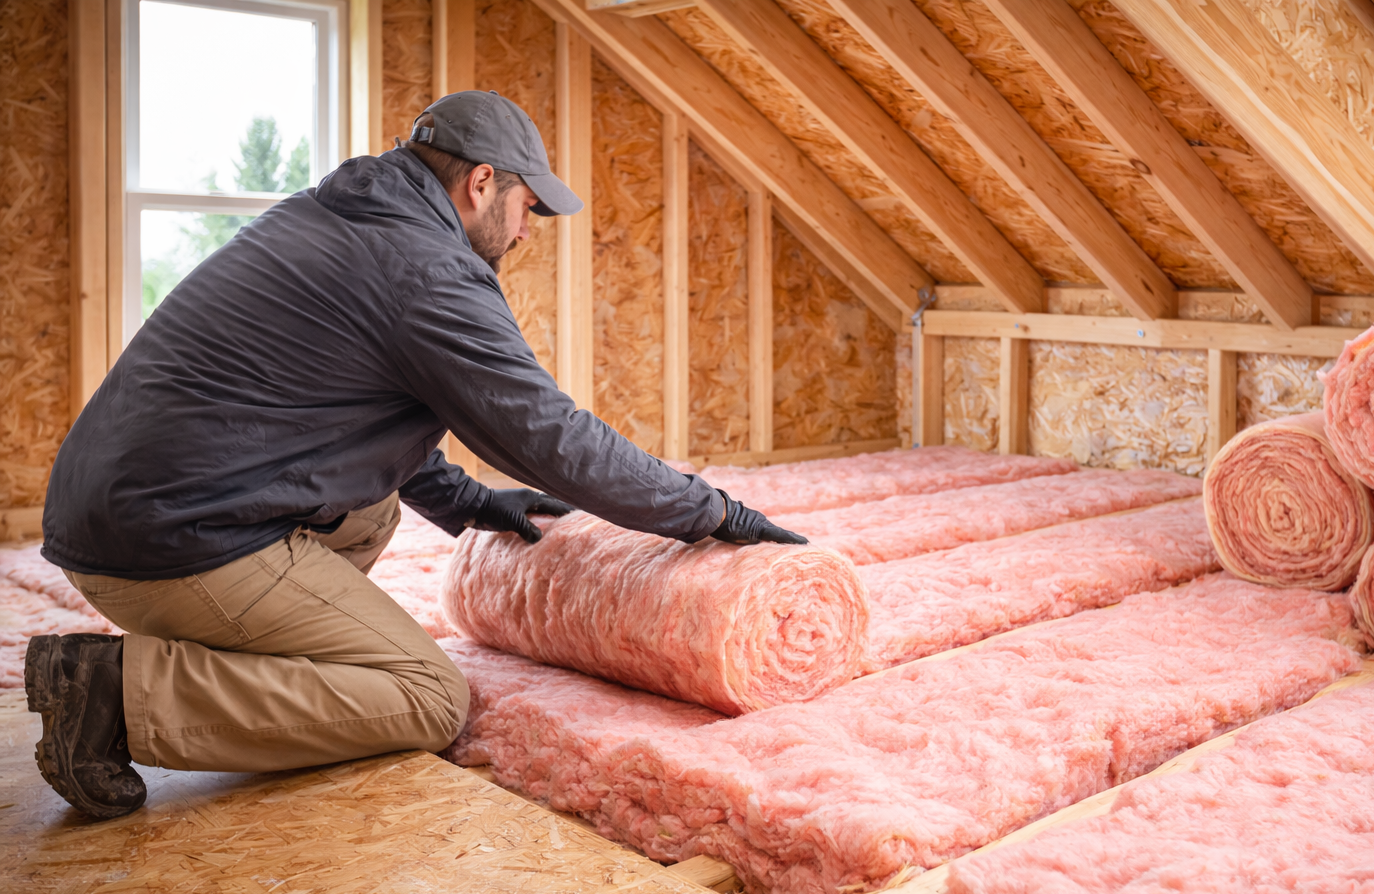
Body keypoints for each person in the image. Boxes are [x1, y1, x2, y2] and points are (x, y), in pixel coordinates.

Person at [26, 90, 804, 820]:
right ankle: (112, 695)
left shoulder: (342, 215)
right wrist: (711, 510)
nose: (529, 230)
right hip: (167, 539)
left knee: (371, 510)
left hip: (121, 509)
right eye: (528, 207)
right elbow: (548, 435)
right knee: (427, 695)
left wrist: (469, 502)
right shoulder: (426, 270)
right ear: (482, 182)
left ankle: (237, 662)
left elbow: (347, 406)